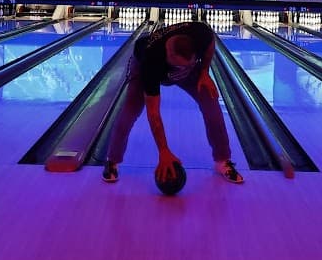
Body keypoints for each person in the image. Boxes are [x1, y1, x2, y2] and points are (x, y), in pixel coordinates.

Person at [103, 21, 244, 186]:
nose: (180, 69)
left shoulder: (200, 33)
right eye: (178, 65)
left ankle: (223, 161)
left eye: (189, 63)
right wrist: (163, 151)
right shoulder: (151, 60)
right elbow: (154, 114)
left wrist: (204, 71)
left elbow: (210, 43)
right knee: (129, 113)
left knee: (211, 105)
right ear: (168, 52)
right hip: (142, 67)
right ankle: (112, 161)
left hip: (189, 72)